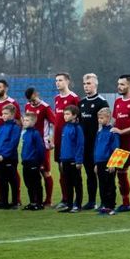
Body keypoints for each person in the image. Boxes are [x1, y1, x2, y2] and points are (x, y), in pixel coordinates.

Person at [78, 73, 110, 210]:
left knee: (101, 174)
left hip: (97, 145)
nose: (86, 86)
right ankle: (91, 201)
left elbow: (105, 123)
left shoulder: (101, 102)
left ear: (96, 84)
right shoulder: (82, 103)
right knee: (90, 174)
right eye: (85, 84)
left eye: (89, 83)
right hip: (85, 144)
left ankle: (105, 201)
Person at [112, 73, 130, 213]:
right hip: (120, 145)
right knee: (121, 174)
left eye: (122, 84)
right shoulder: (117, 102)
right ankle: (126, 203)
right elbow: (114, 122)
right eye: (118, 84)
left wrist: (122, 132)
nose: (119, 86)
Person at [24, 87, 58, 206]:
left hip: (42, 146)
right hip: (30, 146)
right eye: (30, 101)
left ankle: (48, 200)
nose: (32, 103)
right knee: (32, 173)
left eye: (33, 100)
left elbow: (55, 123)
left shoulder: (45, 107)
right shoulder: (27, 106)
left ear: (36, 94)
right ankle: (35, 199)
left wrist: (51, 139)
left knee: (45, 172)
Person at [52, 72, 80, 208]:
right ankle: (65, 198)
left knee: (73, 171)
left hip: (70, 140)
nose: (58, 83)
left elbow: (78, 120)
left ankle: (75, 199)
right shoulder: (56, 98)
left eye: (60, 80)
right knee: (61, 168)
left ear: (67, 81)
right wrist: (53, 138)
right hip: (59, 139)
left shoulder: (74, 98)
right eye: (56, 80)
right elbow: (56, 122)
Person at [0, 104, 21, 210]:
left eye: (6, 114)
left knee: (12, 181)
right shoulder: (1, 127)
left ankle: (15, 202)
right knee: (2, 181)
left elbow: (12, 144)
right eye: (2, 113)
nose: (3, 116)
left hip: (9, 158)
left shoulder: (15, 128)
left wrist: (3, 156)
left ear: (12, 114)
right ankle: (4, 202)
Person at [93, 108, 120, 216]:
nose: (99, 120)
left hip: (109, 163)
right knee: (102, 185)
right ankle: (104, 205)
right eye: (98, 118)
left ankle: (111, 206)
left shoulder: (112, 132)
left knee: (110, 185)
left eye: (102, 118)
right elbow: (96, 148)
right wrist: (95, 163)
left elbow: (116, 148)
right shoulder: (99, 132)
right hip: (99, 162)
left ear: (108, 118)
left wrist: (113, 163)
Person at [57, 106, 84, 213]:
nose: (65, 116)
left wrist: (79, 160)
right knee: (68, 183)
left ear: (74, 116)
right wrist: (61, 159)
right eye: (64, 114)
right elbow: (64, 145)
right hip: (65, 160)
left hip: (74, 160)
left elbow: (80, 145)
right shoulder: (65, 127)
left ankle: (78, 205)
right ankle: (69, 204)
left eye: (67, 114)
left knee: (77, 183)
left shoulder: (77, 128)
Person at [20, 111, 47, 211]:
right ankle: (32, 202)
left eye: (27, 120)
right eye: (24, 120)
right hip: (26, 162)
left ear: (33, 122)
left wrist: (39, 162)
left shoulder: (35, 134)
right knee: (28, 184)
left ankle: (39, 203)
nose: (25, 122)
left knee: (36, 183)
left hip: (34, 162)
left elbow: (40, 149)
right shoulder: (25, 134)